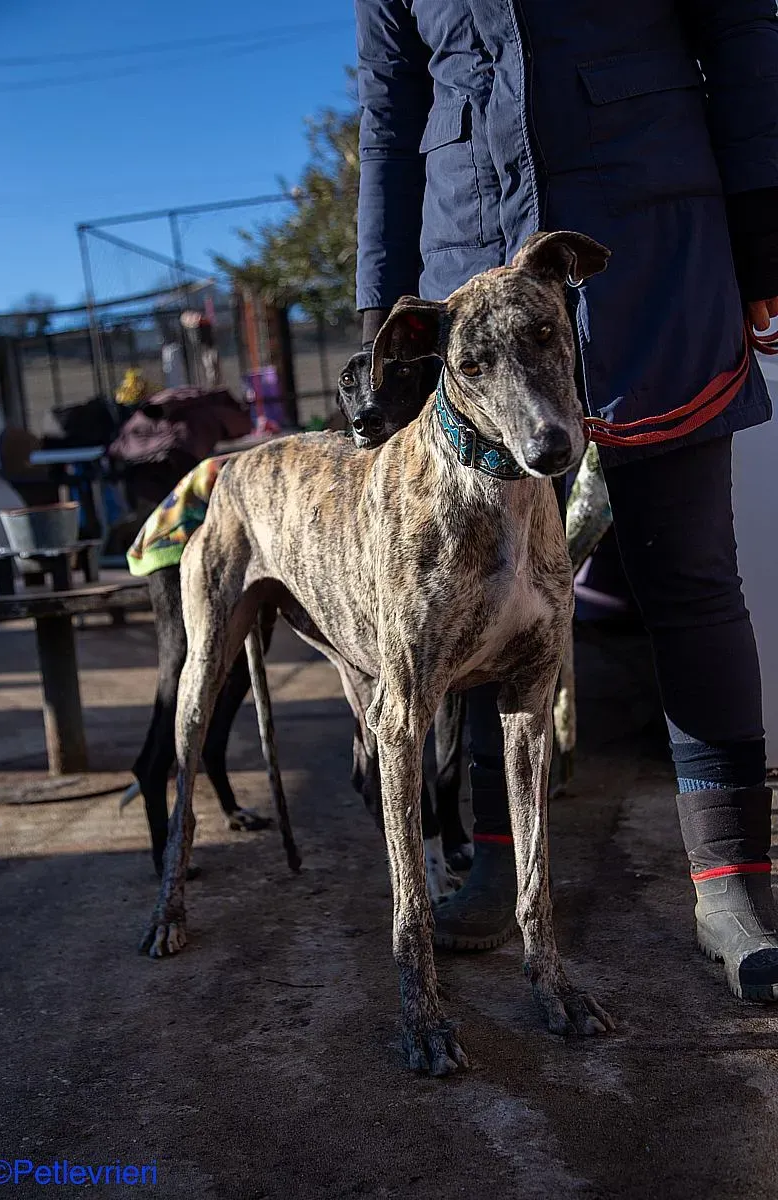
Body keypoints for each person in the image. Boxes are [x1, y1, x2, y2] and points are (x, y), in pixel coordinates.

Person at [355, 0, 778, 1000]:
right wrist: (380, 294)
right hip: (468, 257)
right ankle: (497, 867)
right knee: (470, 593)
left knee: (684, 570)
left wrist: (762, 223)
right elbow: (388, 102)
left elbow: (738, 24)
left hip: (648, 225)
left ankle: (732, 891)